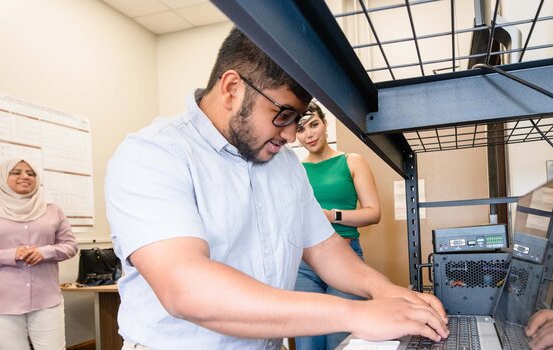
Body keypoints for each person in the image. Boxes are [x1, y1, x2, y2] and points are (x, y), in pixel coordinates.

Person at [105, 27, 449, 350]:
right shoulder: (153, 154)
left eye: (296, 120)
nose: (289, 135)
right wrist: (355, 314)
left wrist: (384, 291)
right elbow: (185, 288)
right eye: (283, 114)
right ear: (231, 89)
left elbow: (326, 249)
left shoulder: (284, 165)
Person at [0, 159, 78, 350]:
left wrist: (45, 252)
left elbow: (70, 245)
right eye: (16, 172)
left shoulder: (53, 211)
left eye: (31, 174)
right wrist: (10, 255)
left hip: (45, 299)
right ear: (2, 178)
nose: (25, 177)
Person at [293, 102, 382, 350]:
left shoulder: (351, 161)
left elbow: (373, 213)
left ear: (325, 124)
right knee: (307, 342)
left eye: (313, 124)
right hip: (305, 264)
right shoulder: (295, 170)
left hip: (345, 257)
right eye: (301, 129)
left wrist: (331, 216)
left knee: (340, 341)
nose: (309, 134)